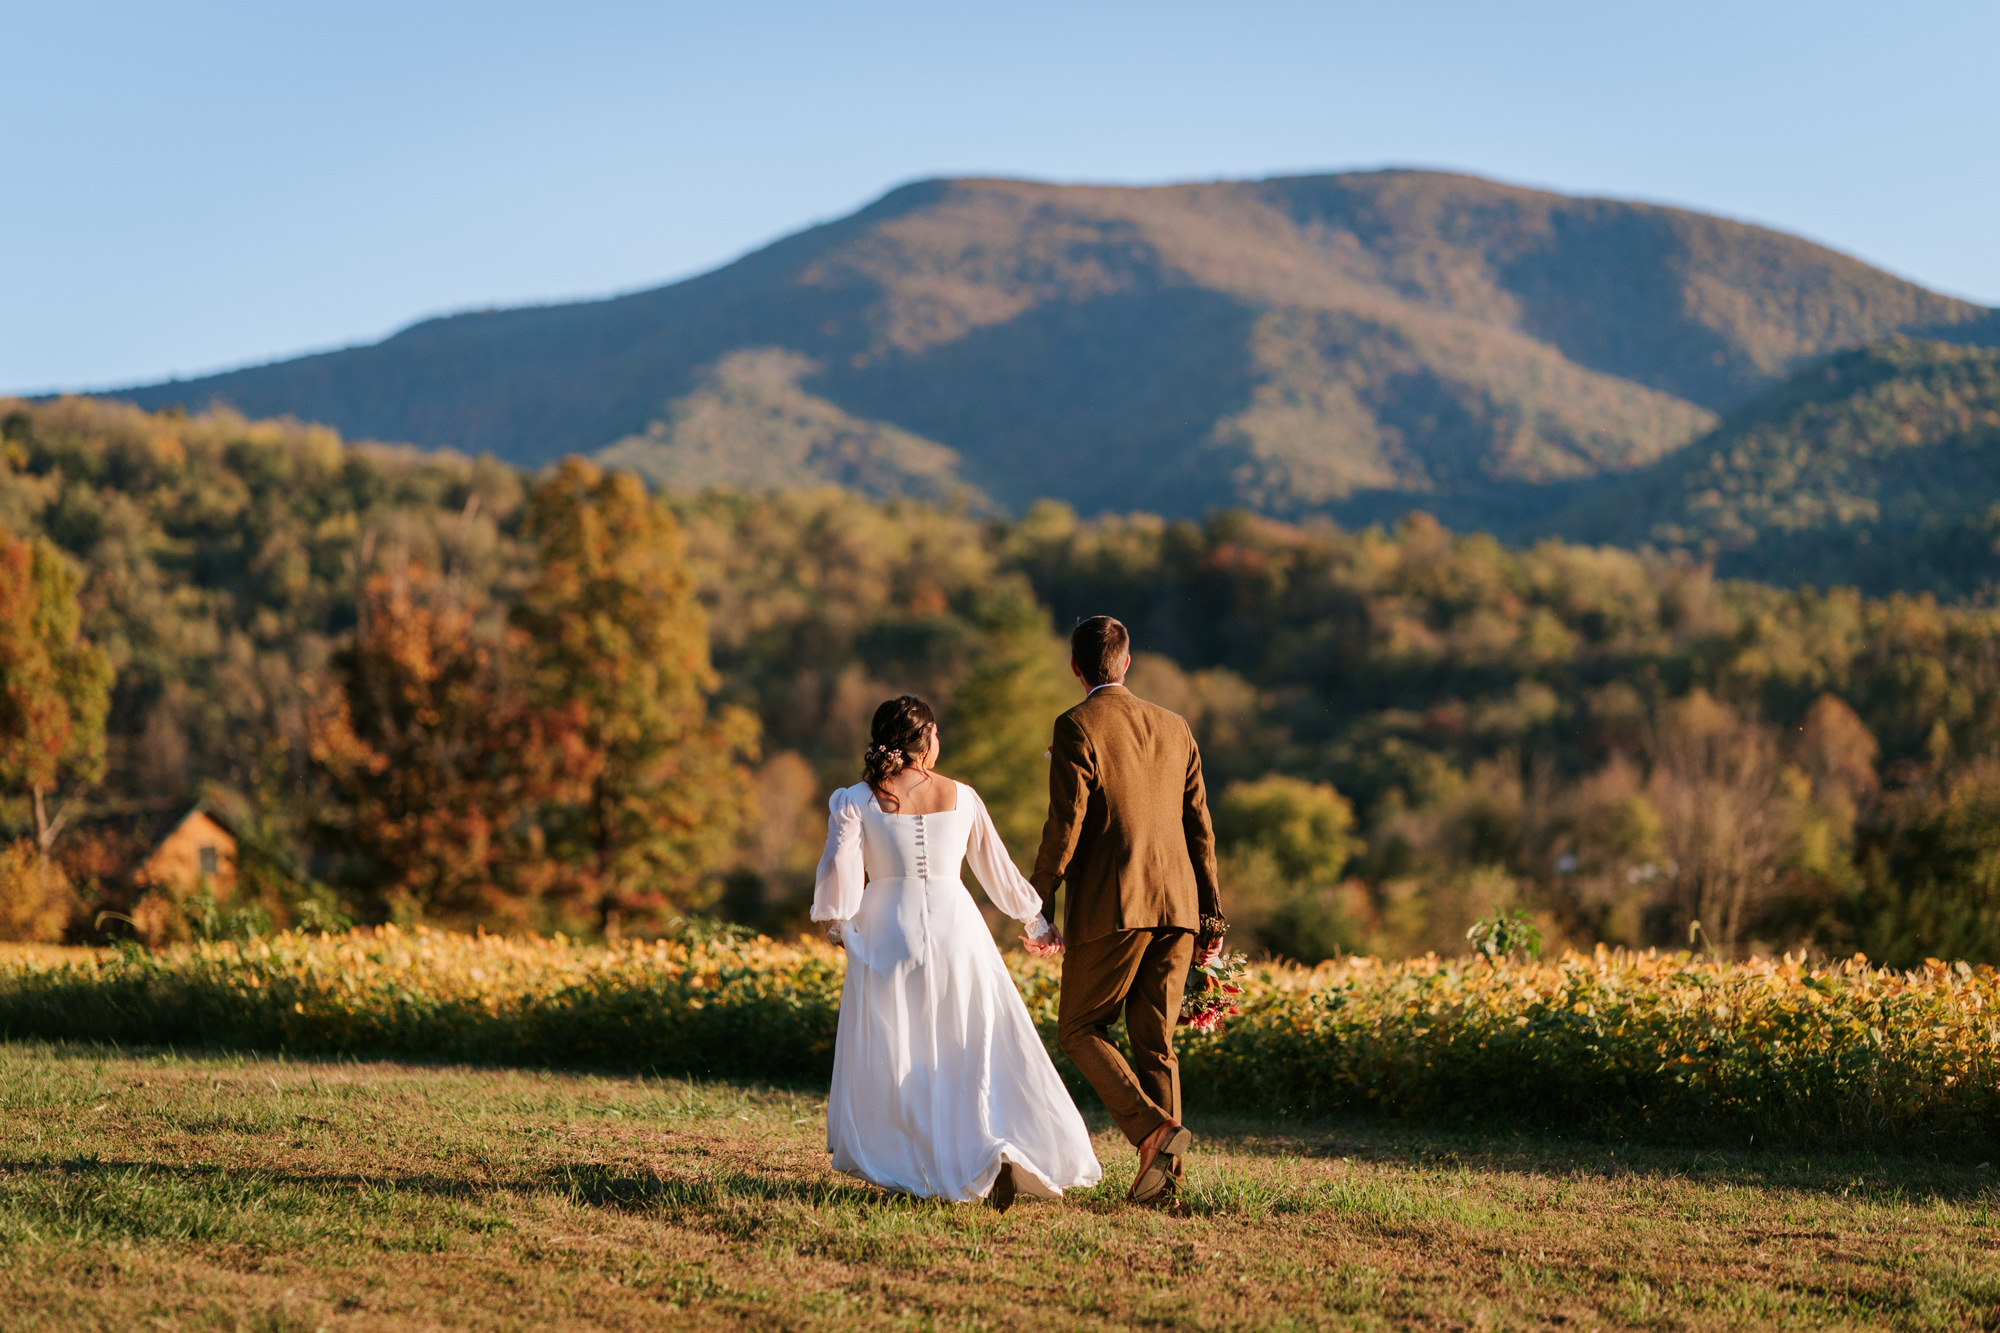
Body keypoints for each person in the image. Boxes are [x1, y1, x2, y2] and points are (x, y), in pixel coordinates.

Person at [811, 695, 1102, 1210]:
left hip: (887, 930)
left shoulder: (856, 799)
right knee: (967, 1045)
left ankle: (921, 1162)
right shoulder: (962, 796)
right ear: (924, 742)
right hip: (957, 928)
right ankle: (988, 1149)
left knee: (903, 1048)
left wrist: (838, 924)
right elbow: (997, 869)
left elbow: (839, 866)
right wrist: (1035, 920)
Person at [1029, 615, 1225, 1206]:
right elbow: (1201, 830)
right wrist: (1212, 919)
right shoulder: (1176, 726)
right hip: (1180, 908)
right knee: (1154, 1042)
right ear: (1127, 661)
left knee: (1079, 1028)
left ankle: (1151, 1130)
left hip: (1114, 904)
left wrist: (1037, 905)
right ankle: (1165, 1186)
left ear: (1076, 667)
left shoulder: (1075, 725)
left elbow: (1065, 827)